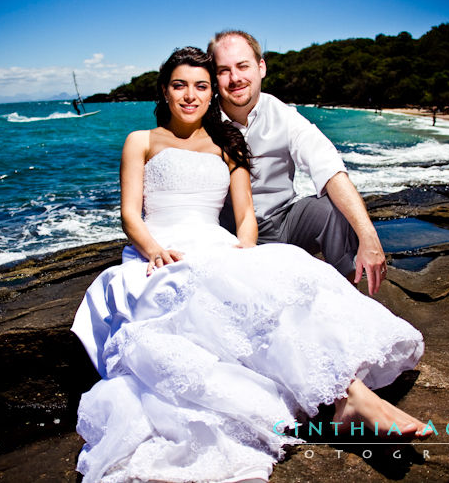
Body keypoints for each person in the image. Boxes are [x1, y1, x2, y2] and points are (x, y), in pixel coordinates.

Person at [71, 46, 428, 482]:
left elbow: (245, 217)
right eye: (180, 85)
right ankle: (351, 399)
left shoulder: (227, 145)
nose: (190, 95)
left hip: (217, 245)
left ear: (211, 93)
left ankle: (349, 395)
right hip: (160, 253)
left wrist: (246, 252)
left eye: (201, 86)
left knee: (269, 290)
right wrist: (154, 250)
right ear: (164, 91)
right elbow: (130, 214)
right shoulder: (141, 141)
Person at [208, 30, 387, 295]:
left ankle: (350, 296)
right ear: (213, 77)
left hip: (283, 225)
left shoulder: (284, 115)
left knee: (331, 208)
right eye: (224, 70)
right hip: (225, 232)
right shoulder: (203, 121)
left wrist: (368, 237)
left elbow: (329, 168)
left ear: (261, 67)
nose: (235, 78)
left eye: (242, 66)